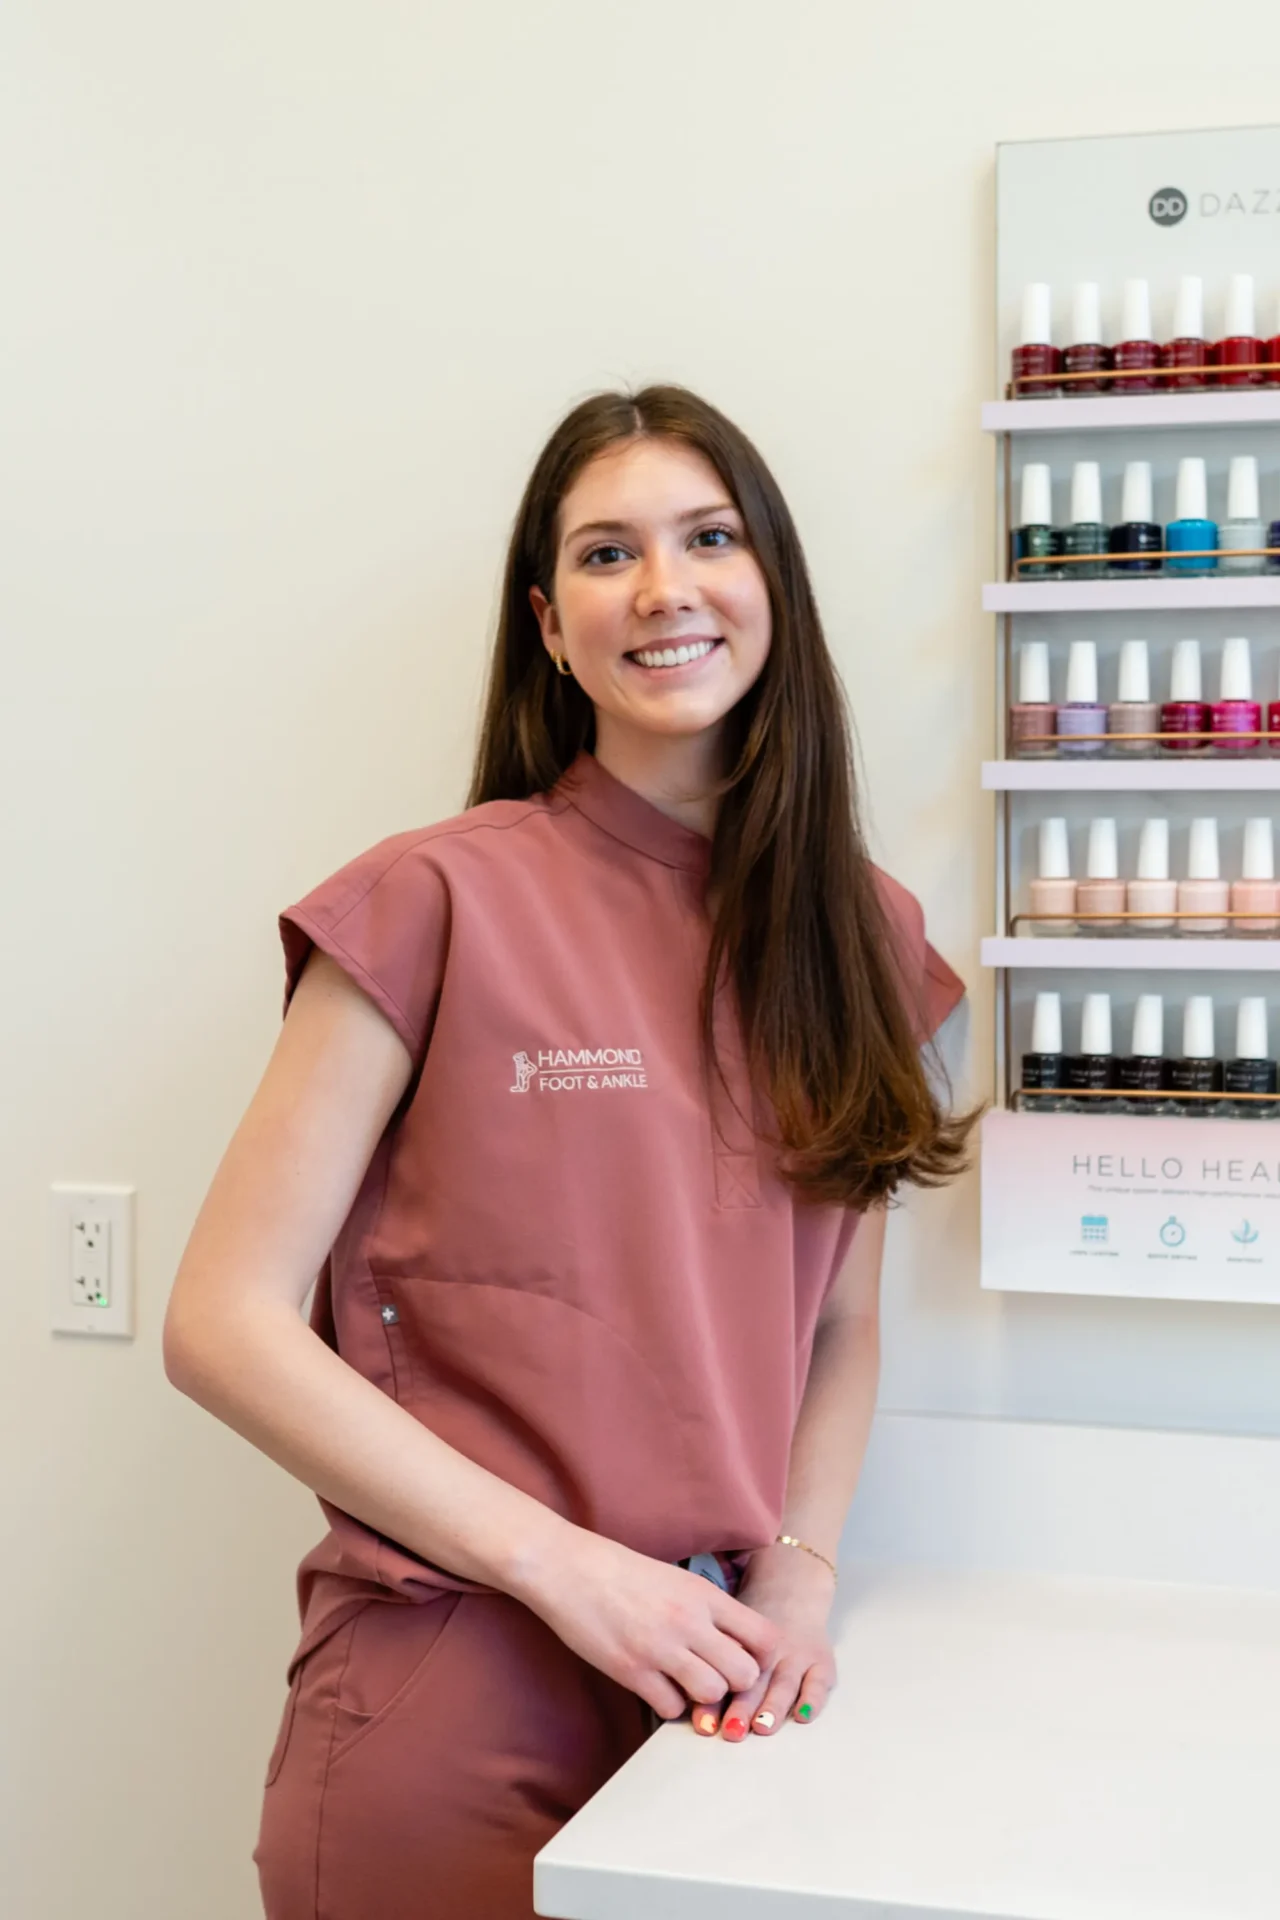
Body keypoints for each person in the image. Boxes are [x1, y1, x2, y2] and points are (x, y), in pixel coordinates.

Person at [163, 382, 975, 1919]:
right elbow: (220, 1324)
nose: (665, 589)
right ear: (549, 625)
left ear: (773, 589)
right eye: (608, 556)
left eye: (708, 538)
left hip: (718, 1688)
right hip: (462, 1679)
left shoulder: (865, 936)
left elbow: (844, 1320)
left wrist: (800, 1568)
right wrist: (571, 1571)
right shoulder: (430, 902)